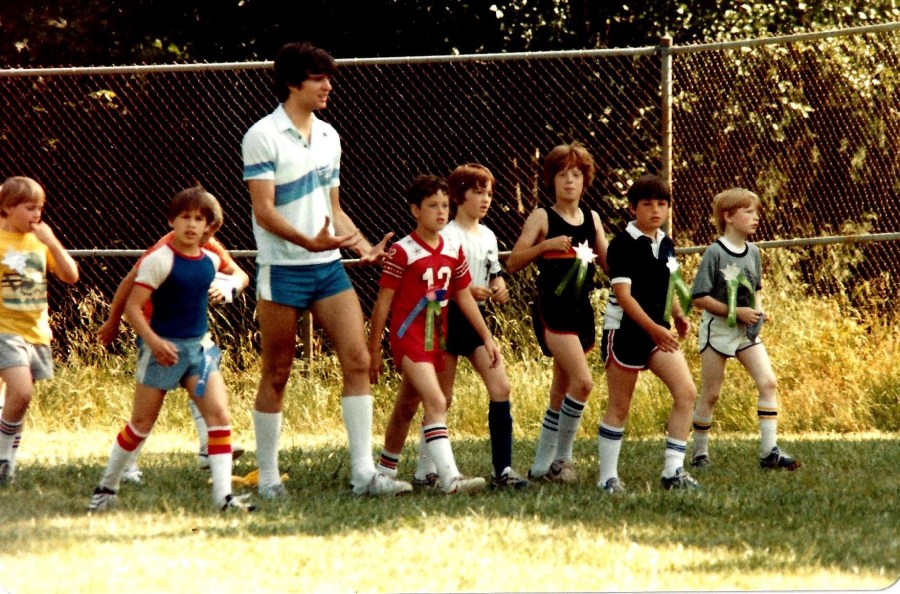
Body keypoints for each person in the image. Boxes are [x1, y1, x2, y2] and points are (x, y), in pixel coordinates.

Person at [241, 41, 410, 498]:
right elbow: (264, 211)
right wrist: (307, 241)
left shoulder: (331, 136)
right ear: (293, 83)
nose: (328, 86)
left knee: (357, 359)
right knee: (277, 369)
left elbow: (334, 209)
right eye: (318, 78)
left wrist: (362, 245)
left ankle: (363, 475)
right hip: (282, 269)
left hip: (329, 269)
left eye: (327, 78)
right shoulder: (262, 135)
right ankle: (269, 477)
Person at [88, 186, 253, 512]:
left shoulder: (210, 258)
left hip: (199, 350)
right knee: (141, 424)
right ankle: (106, 487)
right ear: (172, 220)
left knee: (220, 417)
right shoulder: (159, 258)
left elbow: (238, 275)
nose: (192, 225)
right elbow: (134, 307)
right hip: (162, 349)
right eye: (185, 217)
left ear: (210, 226)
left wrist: (229, 286)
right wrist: (154, 342)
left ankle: (223, 498)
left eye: (199, 219)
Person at [376, 164, 528, 490]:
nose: (441, 212)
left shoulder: (460, 245)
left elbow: (471, 288)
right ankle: (448, 477)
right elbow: (384, 303)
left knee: (407, 406)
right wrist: (373, 348)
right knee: (438, 399)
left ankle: (385, 474)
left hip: (442, 332)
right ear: (416, 210)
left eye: (444, 205)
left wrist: (488, 334)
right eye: (433, 205)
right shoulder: (406, 249)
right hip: (416, 334)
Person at [506, 142, 609, 483]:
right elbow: (514, 262)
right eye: (563, 174)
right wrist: (545, 246)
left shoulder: (592, 218)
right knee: (583, 383)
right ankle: (562, 460)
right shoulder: (542, 216)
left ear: (585, 180)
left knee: (560, 390)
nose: (569, 181)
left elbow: (610, 265)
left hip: (581, 312)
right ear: (551, 180)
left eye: (576, 174)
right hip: (553, 310)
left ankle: (540, 466)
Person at [596, 173, 699, 493]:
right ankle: (607, 477)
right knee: (619, 406)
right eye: (647, 204)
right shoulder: (622, 245)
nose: (655, 210)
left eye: (662, 203)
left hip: (657, 333)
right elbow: (625, 297)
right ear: (632, 208)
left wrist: (678, 316)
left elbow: (668, 284)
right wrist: (655, 329)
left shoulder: (665, 243)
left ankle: (673, 472)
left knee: (686, 393)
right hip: (626, 332)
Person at [689, 188, 800, 471]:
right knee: (711, 393)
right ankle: (699, 453)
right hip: (718, 332)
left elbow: (757, 290)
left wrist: (759, 312)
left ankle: (769, 453)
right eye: (748, 212)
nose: (755, 217)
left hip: (745, 334)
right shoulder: (714, 252)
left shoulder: (754, 252)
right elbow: (699, 297)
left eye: (756, 212)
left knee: (768, 383)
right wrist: (735, 312)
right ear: (728, 216)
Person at [0, 176, 79, 486]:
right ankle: (3, 458)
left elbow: (71, 275)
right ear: (7, 208)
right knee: (21, 391)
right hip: (5, 329)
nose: (37, 215)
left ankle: (8, 463)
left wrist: (52, 242)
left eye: (40, 208)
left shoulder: (39, 241)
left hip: (36, 332)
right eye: (29, 208)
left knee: (19, 402)